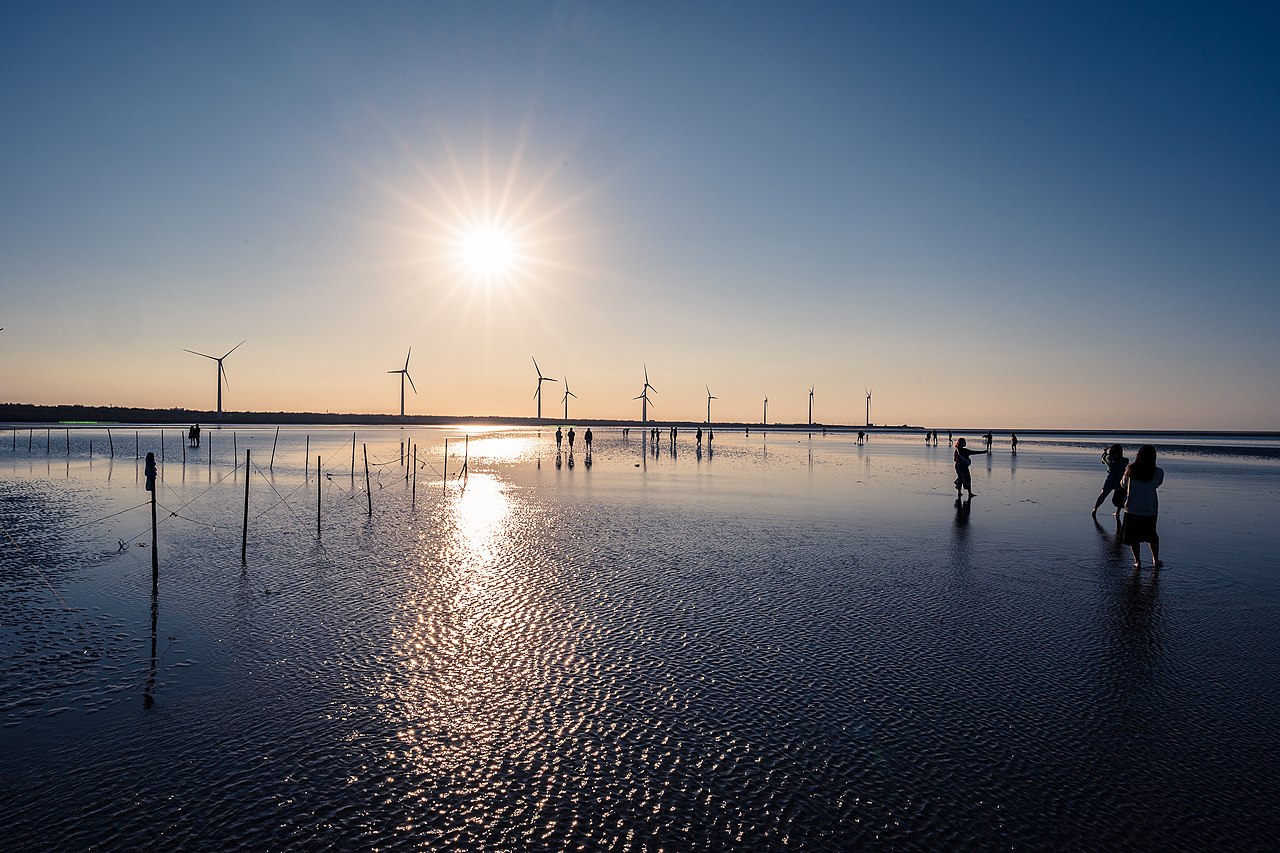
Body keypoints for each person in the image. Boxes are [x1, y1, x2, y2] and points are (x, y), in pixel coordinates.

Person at [1120, 444, 1164, 569]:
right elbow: (1157, 484)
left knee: (1133, 537)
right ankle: (1155, 560)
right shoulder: (1158, 472)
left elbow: (1123, 485)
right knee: (1152, 535)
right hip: (1149, 509)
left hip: (1132, 508)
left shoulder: (1130, 469)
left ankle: (1137, 561)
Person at [1091, 444, 1129, 517]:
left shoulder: (1109, 459)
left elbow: (1103, 459)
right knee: (1119, 495)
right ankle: (1117, 512)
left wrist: (1105, 452)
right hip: (1120, 478)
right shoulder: (1125, 460)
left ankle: (1095, 509)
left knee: (1103, 494)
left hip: (1111, 478)